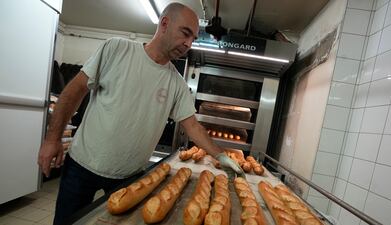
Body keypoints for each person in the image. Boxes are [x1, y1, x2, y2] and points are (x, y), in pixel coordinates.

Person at [38, 2, 244, 225]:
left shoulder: (176, 83)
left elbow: (192, 126)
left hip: (130, 178)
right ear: (164, 23)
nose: (188, 44)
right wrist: (52, 139)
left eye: (193, 38)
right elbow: (73, 92)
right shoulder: (116, 49)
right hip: (81, 167)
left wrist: (220, 155)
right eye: (185, 33)